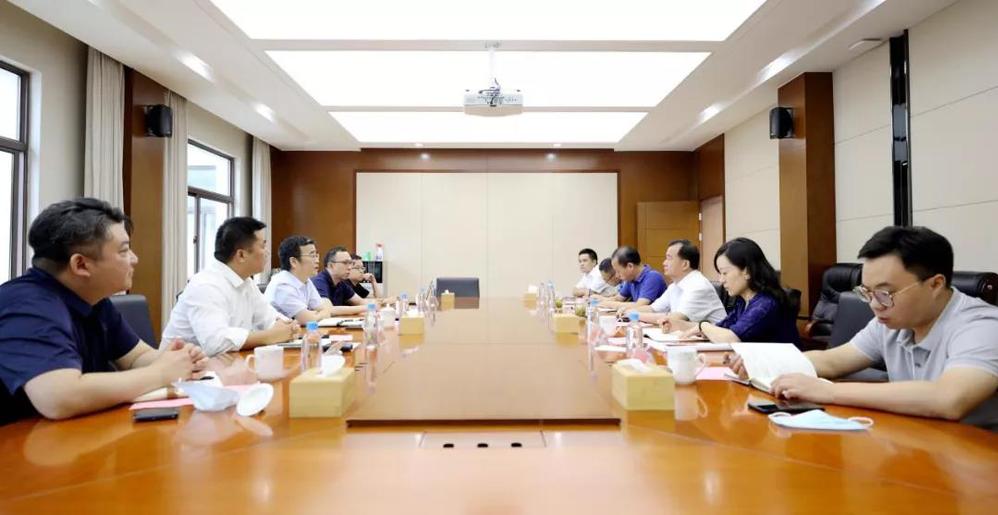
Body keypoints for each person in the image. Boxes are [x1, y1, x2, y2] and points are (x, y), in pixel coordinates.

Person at [734, 226, 998, 430]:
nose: (874, 305)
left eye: (885, 293)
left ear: (935, 284)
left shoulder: (981, 325)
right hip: (916, 439)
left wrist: (829, 391)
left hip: (976, 457)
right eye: (867, 292)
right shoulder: (892, 322)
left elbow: (949, 398)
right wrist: (760, 363)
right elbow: (833, 361)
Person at [0, 198, 206, 423]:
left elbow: (136, 357)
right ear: (81, 265)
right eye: (124, 251)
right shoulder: (27, 305)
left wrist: (179, 361)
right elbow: (59, 397)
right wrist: (160, 373)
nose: (134, 259)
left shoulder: (93, 299)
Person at [162, 217, 299, 357]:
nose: (267, 252)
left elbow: (268, 317)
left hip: (225, 363)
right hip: (180, 368)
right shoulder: (206, 285)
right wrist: (269, 336)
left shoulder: (246, 282)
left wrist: (288, 326)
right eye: (263, 246)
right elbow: (215, 343)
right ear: (241, 255)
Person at [676, 238, 799, 344]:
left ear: (747, 271)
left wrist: (703, 326)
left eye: (725, 273)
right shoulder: (743, 301)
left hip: (780, 364)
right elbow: (721, 328)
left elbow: (732, 338)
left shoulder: (765, 303)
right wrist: (687, 326)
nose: (721, 280)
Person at [632, 240, 726, 325]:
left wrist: (634, 315)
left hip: (715, 337)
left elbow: (674, 319)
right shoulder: (674, 286)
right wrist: (628, 311)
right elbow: (653, 309)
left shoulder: (699, 286)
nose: (664, 263)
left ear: (685, 264)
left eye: (669, 258)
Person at [264, 235, 335, 323]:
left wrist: (318, 313)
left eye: (316, 255)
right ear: (294, 262)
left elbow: (325, 308)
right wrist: (319, 313)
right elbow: (308, 320)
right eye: (312, 255)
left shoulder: (306, 280)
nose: (317, 261)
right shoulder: (282, 285)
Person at [600, 246, 666, 311]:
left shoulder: (653, 277)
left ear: (630, 266)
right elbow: (618, 298)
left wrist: (610, 304)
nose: (617, 276)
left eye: (618, 271)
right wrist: (602, 301)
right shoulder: (630, 279)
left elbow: (640, 305)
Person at [311, 246, 368, 315]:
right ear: (331, 265)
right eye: (345, 263)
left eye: (350, 263)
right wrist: (367, 307)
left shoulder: (341, 283)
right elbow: (328, 310)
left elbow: (360, 301)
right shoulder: (319, 281)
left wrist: (375, 305)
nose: (350, 267)